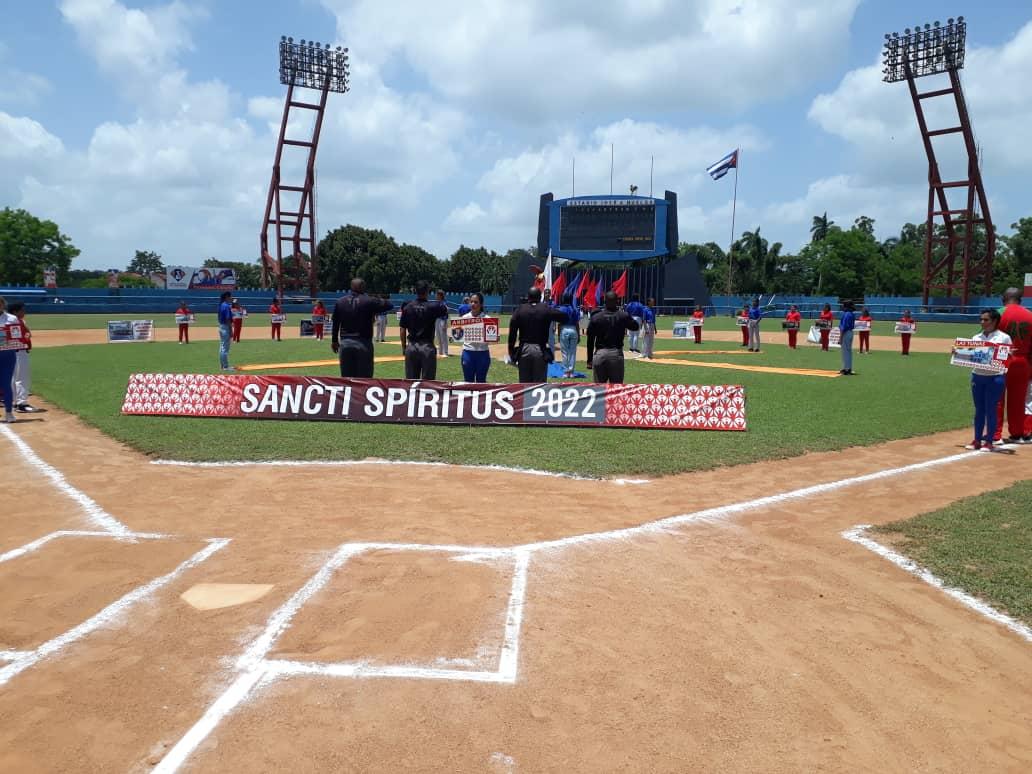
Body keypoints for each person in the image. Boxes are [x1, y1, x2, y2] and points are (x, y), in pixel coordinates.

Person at [963, 308, 1012, 450]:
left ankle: (990, 441)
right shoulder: (976, 338)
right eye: (981, 319)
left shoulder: (1003, 337)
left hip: (995, 377)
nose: (982, 322)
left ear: (994, 321)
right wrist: (959, 352)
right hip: (978, 376)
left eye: (986, 319)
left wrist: (1008, 354)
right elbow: (970, 356)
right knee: (979, 410)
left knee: (991, 409)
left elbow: (1007, 358)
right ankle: (977, 440)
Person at [331, 278, 395, 378]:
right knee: (365, 380)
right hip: (363, 343)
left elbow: (336, 323)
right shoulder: (369, 301)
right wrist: (375, 298)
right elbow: (389, 305)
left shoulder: (340, 302)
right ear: (362, 287)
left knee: (346, 379)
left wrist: (334, 341)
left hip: (345, 343)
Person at [995, 287, 1032, 444]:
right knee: (1019, 399)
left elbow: (986, 340)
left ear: (1004, 298)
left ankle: (995, 435)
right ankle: (1018, 434)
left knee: (996, 398)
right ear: (1020, 300)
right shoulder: (1030, 315)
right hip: (1023, 362)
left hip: (1000, 359)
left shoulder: (997, 313)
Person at [508, 287, 568, 383]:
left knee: (524, 383)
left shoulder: (519, 310)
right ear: (540, 297)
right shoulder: (545, 309)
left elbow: (512, 333)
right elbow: (564, 317)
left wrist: (511, 352)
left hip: (524, 349)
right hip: (540, 349)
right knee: (539, 384)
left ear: (528, 297)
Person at [586, 291, 640, 384]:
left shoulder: (596, 317)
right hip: (616, 354)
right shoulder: (622, 316)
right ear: (617, 301)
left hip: (600, 354)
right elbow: (635, 326)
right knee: (616, 390)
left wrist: (590, 360)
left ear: (604, 301)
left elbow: (590, 340)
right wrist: (626, 316)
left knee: (599, 390)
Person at [400, 280, 449, 379]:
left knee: (411, 383)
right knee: (428, 384)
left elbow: (402, 329)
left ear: (415, 291)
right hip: (427, 347)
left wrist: (404, 347)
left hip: (412, 346)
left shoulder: (408, 307)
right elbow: (445, 310)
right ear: (427, 291)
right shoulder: (433, 306)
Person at [7, 301, 34, 413]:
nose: (24, 311)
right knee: (22, 378)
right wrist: (27, 335)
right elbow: (21, 337)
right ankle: (22, 404)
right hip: (19, 351)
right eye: (22, 310)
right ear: (15, 311)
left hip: (14, 352)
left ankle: (15, 402)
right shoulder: (15, 322)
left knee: (14, 378)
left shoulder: (15, 321)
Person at [460, 293, 492, 383]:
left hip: (483, 353)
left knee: (481, 382)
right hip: (468, 353)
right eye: (471, 302)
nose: (473, 304)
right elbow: (458, 335)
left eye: (476, 302)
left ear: (481, 304)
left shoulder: (488, 319)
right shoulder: (464, 318)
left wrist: (494, 336)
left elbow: (492, 337)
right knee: (468, 382)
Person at [0, 297, 19, 422]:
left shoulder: (12, 319)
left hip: (7, 354)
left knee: (6, 383)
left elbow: (17, 336)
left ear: (3, 305)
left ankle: (8, 412)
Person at [557, 291, 580, 378]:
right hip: (573, 329)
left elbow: (559, 324)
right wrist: (578, 334)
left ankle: (566, 372)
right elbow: (577, 323)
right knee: (572, 352)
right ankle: (572, 372)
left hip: (564, 329)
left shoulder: (561, 309)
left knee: (564, 352)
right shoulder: (574, 309)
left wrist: (559, 335)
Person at [217, 291, 234, 371]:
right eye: (230, 297)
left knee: (222, 346)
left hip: (221, 326)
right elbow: (228, 319)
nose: (231, 298)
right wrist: (231, 330)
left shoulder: (221, 305)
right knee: (225, 348)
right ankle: (226, 366)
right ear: (227, 297)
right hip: (225, 327)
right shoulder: (226, 306)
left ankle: (222, 365)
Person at [839, 300, 856, 375]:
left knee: (845, 351)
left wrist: (840, 337)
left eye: (844, 305)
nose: (843, 307)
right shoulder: (851, 314)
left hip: (845, 333)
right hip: (850, 332)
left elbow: (843, 327)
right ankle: (848, 368)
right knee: (848, 351)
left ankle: (845, 369)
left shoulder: (846, 314)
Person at [434, 289, 450, 357]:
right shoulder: (436, 302)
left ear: (440, 295)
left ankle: (445, 352)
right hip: (437, 320)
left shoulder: (444, 303)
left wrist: (445, 323)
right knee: (438, 336)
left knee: (443, 336)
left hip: (443, 320)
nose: (436, 296)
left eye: (437, 295)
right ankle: (440, 352)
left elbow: (446, 313)